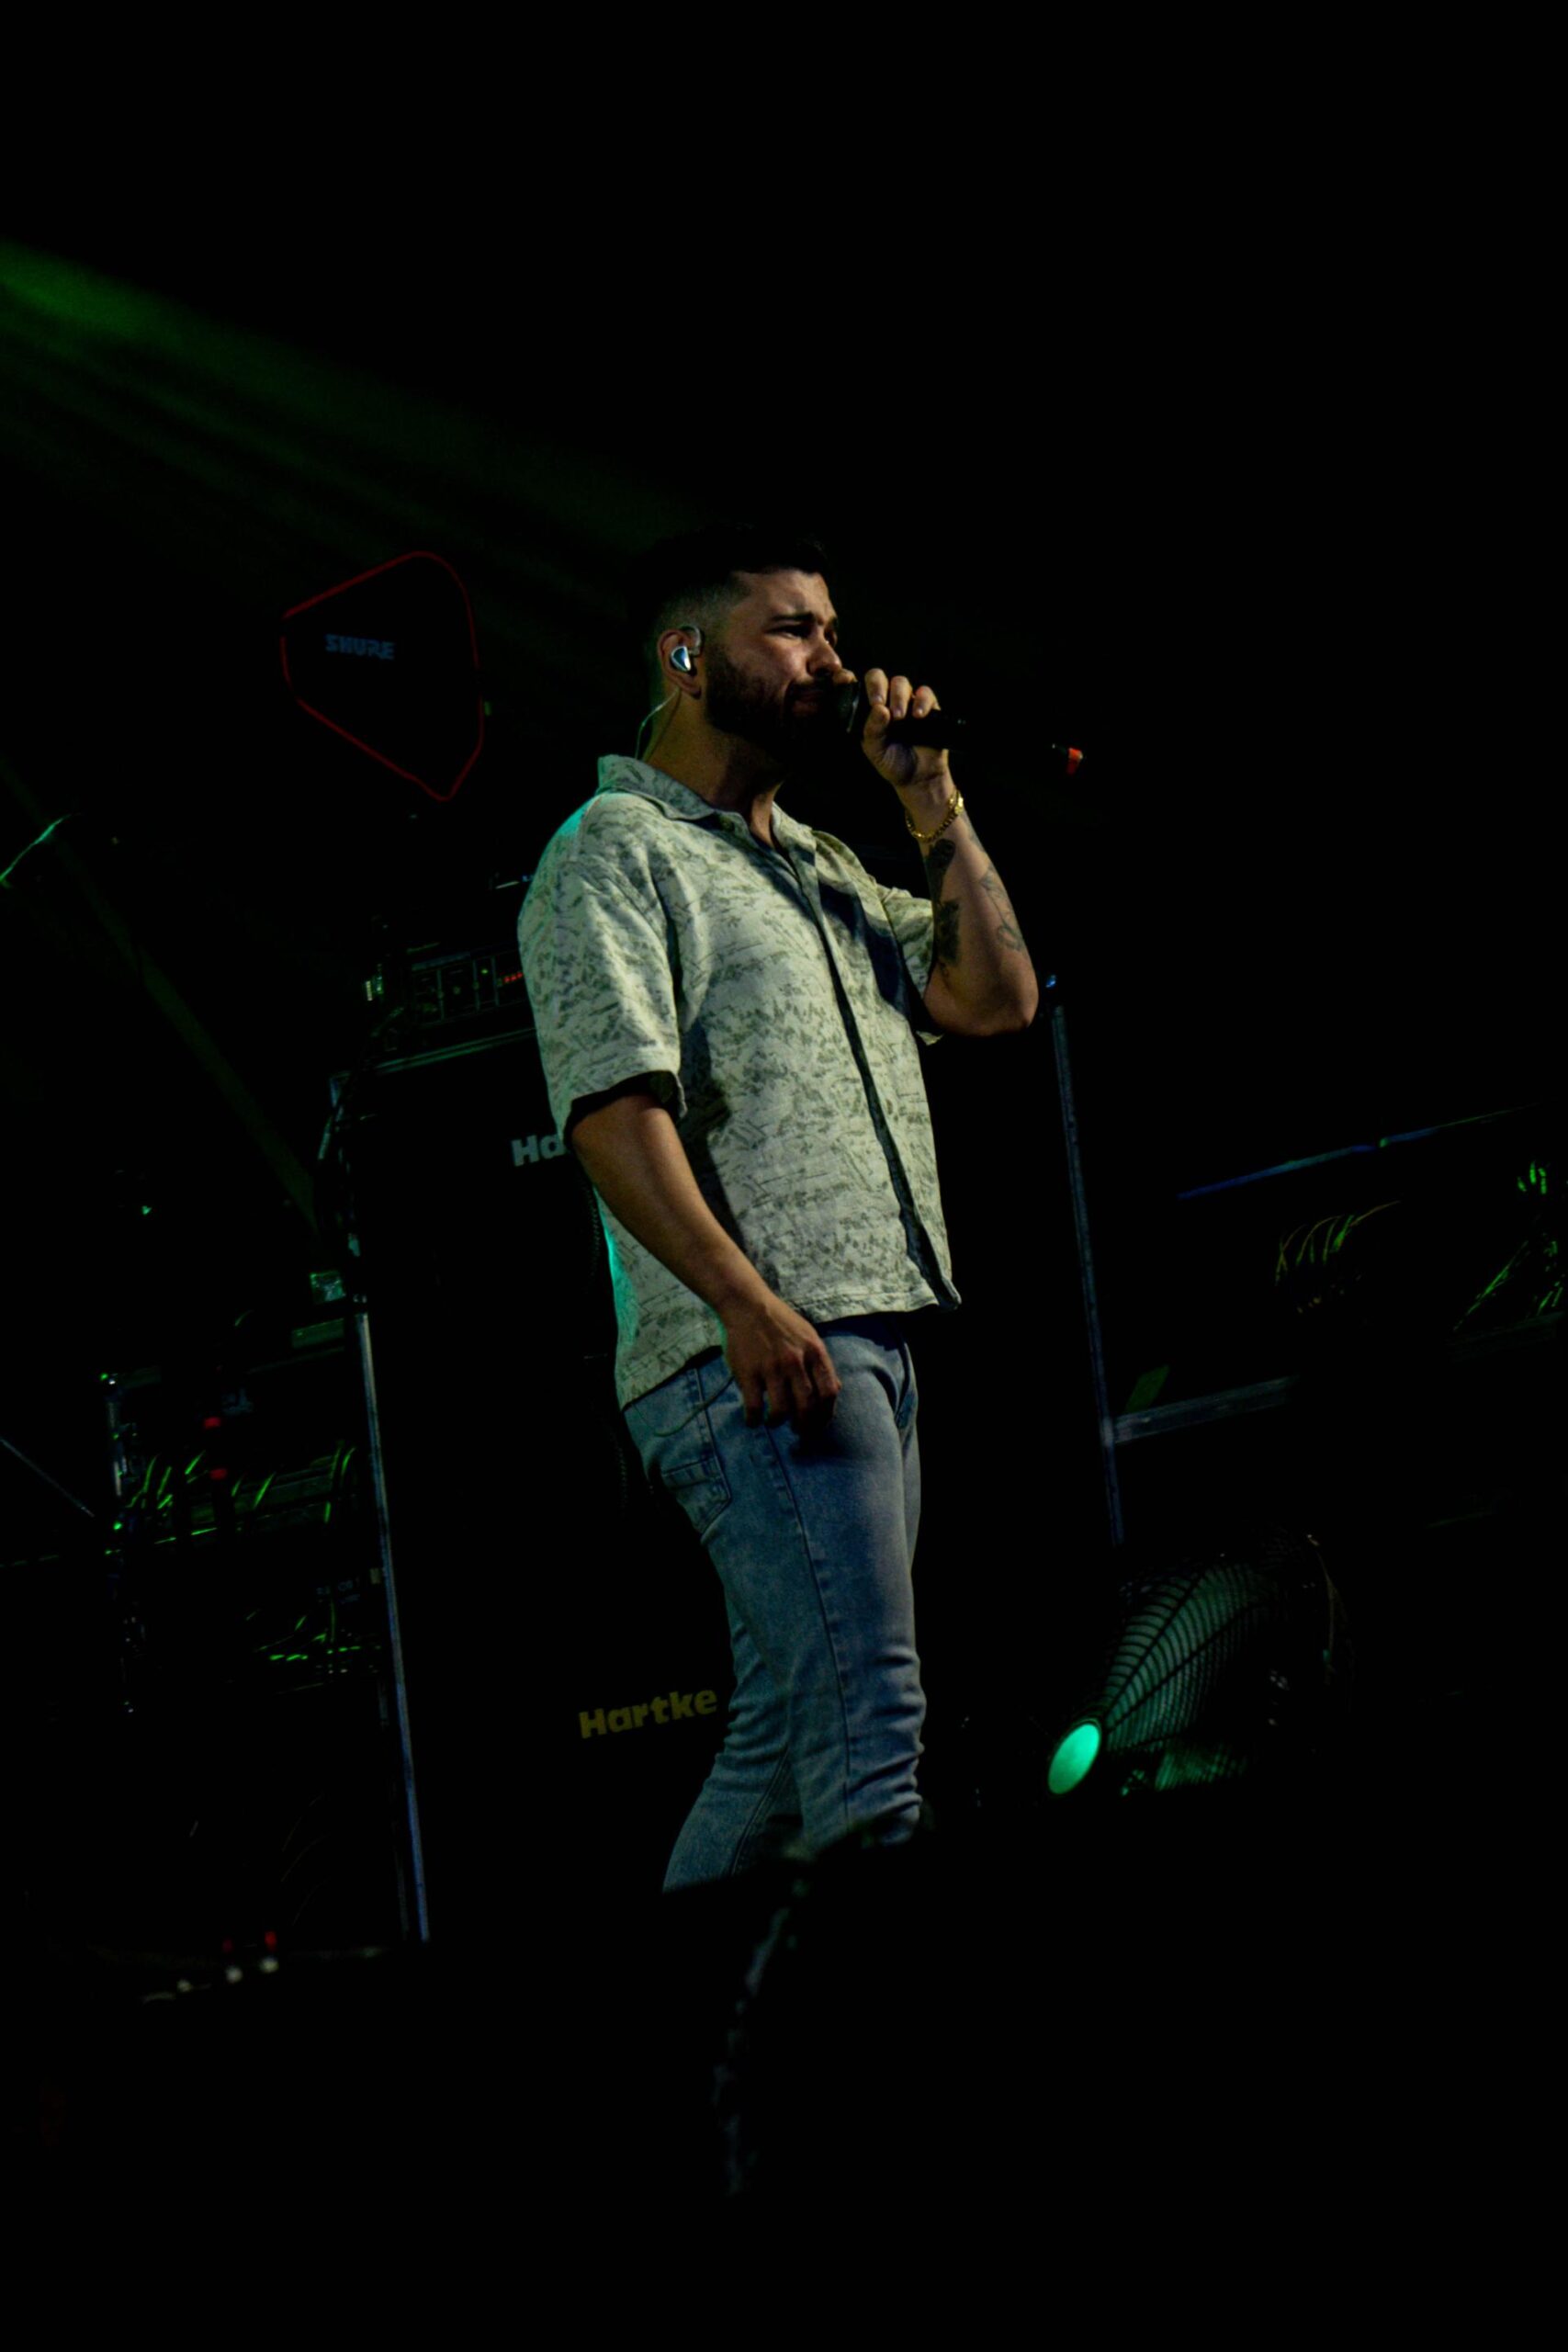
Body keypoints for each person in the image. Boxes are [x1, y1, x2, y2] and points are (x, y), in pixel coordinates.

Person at [518, 525, 1038, 1889]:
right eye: (794, 630)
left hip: (869, 1334)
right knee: (872, 1745)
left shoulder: (819, 864)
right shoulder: (613, 849)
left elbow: (995, 1000)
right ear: (689, 658)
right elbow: (611, 1114)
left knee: (773, 1754)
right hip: (757, 1353)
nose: (834, 661)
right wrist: (746, 1306)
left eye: (834, 631)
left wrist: (934, 805)